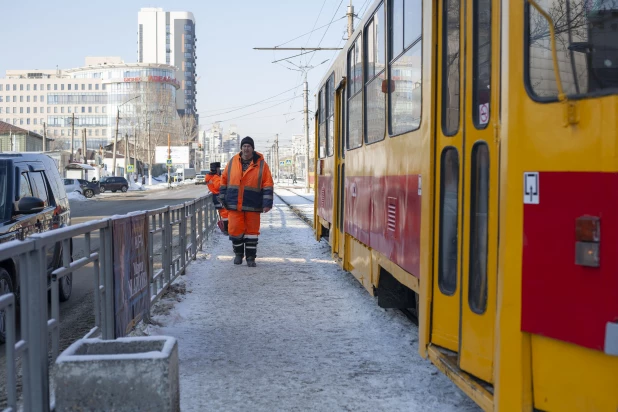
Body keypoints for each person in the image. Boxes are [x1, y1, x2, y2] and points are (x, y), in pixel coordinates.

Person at [219, 136, 274, 267]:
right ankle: (238, 255)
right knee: (235, 231)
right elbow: (224, 179)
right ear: (241, 148)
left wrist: (267, 203)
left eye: (249, 146)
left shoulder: (262, 165)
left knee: (252, 233)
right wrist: (222, 196)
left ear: (253, 149)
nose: (246, 148)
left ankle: (250, 258)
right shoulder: (232, 162)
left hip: (253, 204)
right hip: (234, 204)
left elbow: (268, 184)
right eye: (244, 146)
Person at [205, 162, 229, 235]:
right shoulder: (216, 177)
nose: (219, 170)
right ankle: (226, 229)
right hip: (219, 196)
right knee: (225, 213)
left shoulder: (209, 177)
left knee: (223, 213)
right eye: (218, 168)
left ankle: (226, 228)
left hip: (216, 197)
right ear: (216, 169)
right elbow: (218, 186)